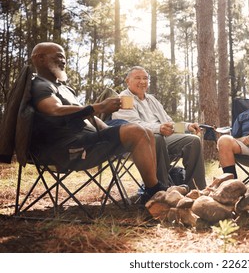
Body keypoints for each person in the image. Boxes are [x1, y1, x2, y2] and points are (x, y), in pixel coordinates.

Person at [29, 42, 166, 203]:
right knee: (141, 131)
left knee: (165, 136)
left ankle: (174, 187)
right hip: (68, 148)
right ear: (40, 59)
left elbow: (88, 116)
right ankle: (156, 192)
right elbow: (54, 110)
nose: (63, 61)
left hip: (92, 140)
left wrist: (183, 127)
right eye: (58, 56)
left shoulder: (153, 100)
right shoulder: (39, 85)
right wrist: (100, 107)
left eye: (145, 78)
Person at [112, 66, 206, 190]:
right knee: (156, 138)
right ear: (127, 81)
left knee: (193, 141)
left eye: (145, 78)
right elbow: (133, 125)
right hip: (137, 145)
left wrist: (188, 126)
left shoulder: (152, 99)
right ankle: (163, 190)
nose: (142, 81)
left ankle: (196, 189)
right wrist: (159, 128)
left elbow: (168, 123)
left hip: (162, 138)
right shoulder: (124, 99)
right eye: (138, 78)